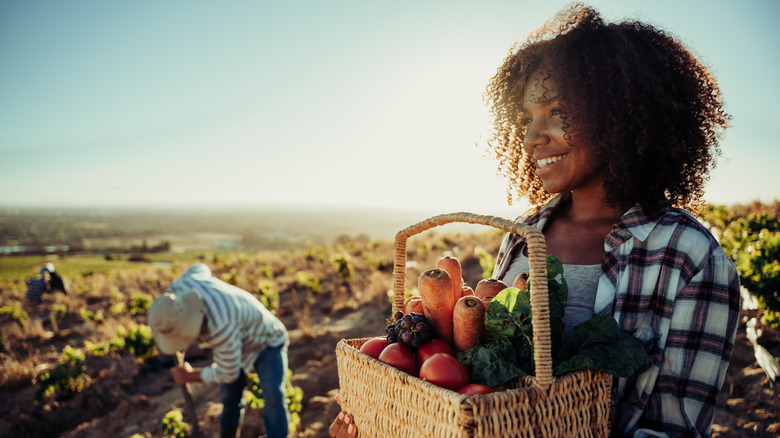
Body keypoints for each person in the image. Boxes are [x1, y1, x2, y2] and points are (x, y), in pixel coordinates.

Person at [330, 3, 740, 437]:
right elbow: (487, 380)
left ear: (622, 113)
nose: (531, 137)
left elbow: (673, 430)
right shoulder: (523, 236)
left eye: (557, 111)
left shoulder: (691, 259)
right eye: (527, 118)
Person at [148, 263, 290, 438]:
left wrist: (190, 375)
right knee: (231, 399)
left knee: (274, 396)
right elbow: (200, 267)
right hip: (236, 336)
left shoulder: (220, 325)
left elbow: (228, 373)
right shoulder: (180, 287)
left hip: (266, 340)